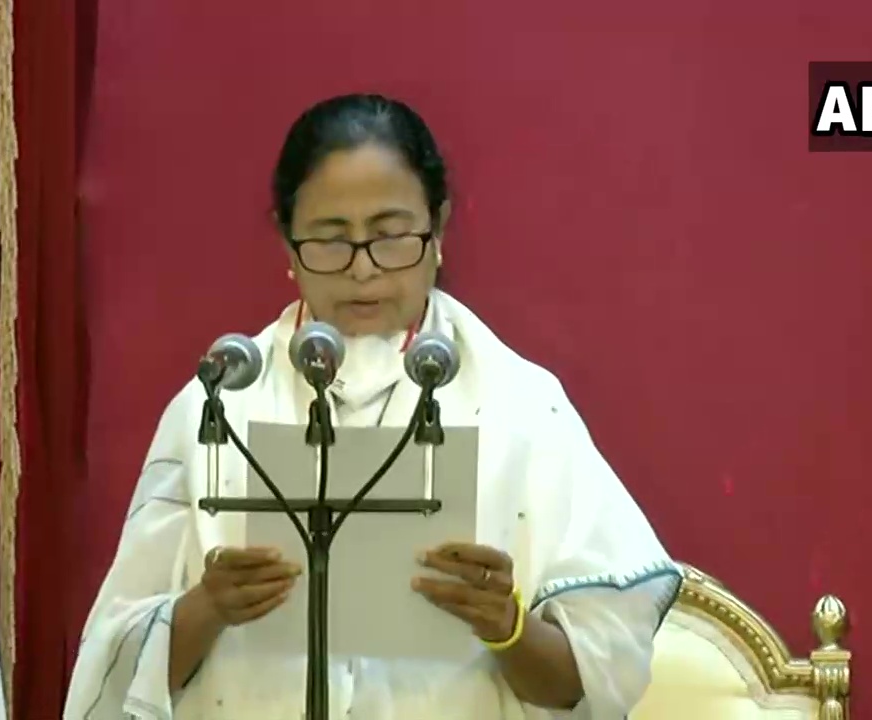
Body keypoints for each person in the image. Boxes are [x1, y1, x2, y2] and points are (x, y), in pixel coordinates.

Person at [63, 93, 682, 720]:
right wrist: (209, 607)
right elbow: (115, 676)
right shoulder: (220, 403)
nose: (362, 270)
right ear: (287, 241)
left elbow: (585, 683)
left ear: (438, 229)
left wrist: (508, 627)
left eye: (389, 236)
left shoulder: (522, 407)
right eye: (330, 240)